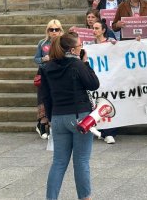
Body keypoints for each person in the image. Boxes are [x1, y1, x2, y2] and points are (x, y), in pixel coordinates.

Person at [40, 32, 100, 200]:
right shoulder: (77, 65)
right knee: (81, 161)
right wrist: (86, 62)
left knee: (58, 162)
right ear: (73, 50)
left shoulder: (48, 67)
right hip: (80, 116)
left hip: (58, 117)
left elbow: (46, 95)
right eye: (80, 45)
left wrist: (51, 118)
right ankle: (85, 197)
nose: (82, 48)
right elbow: (94, 84)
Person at [34, 20, 63, 139]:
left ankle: (52, 125)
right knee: (43, 97)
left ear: (60, 31)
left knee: (55, 98)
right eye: (51, 29)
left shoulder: (63, 42)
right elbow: (36, 59)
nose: (54, 32)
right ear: (48, 31)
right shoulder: (42, 43)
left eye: (57, 29)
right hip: (45, 73)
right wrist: (43, 59)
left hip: (59, 74)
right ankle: (42, 124)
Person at [91, 20, 118, 144]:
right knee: (97, 104)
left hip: (109, 79)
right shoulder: (90, 45)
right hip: (96, 80)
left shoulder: (110, 42)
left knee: (109, 104)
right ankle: (101, 131)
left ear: (103, 30)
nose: (94, 30)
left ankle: (110, 132)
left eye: (97, 28)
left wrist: (115, 45)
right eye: (93, 28)